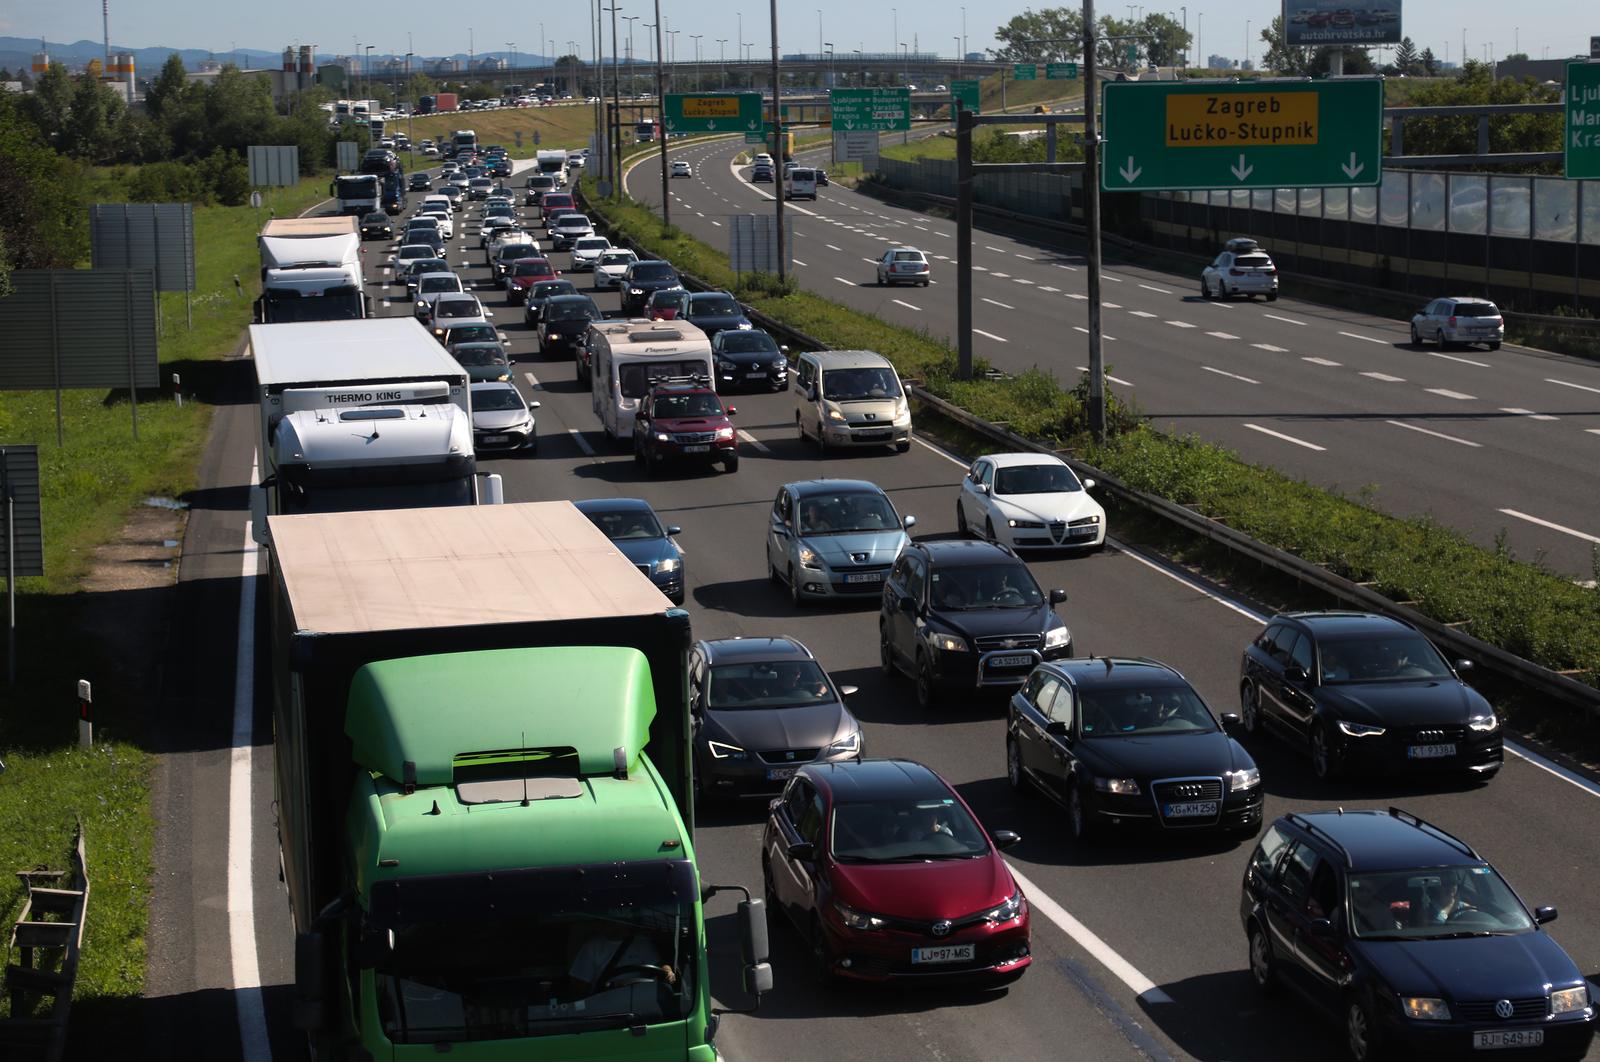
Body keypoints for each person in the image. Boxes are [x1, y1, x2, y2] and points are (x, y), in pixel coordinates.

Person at [567, 923, 675, 997]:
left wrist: (668, 971)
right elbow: (580, 988)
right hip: (606, 1003)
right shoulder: (592, 947)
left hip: (642, 1000)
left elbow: (659, 966)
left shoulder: (641, 942)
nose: (616, 927)